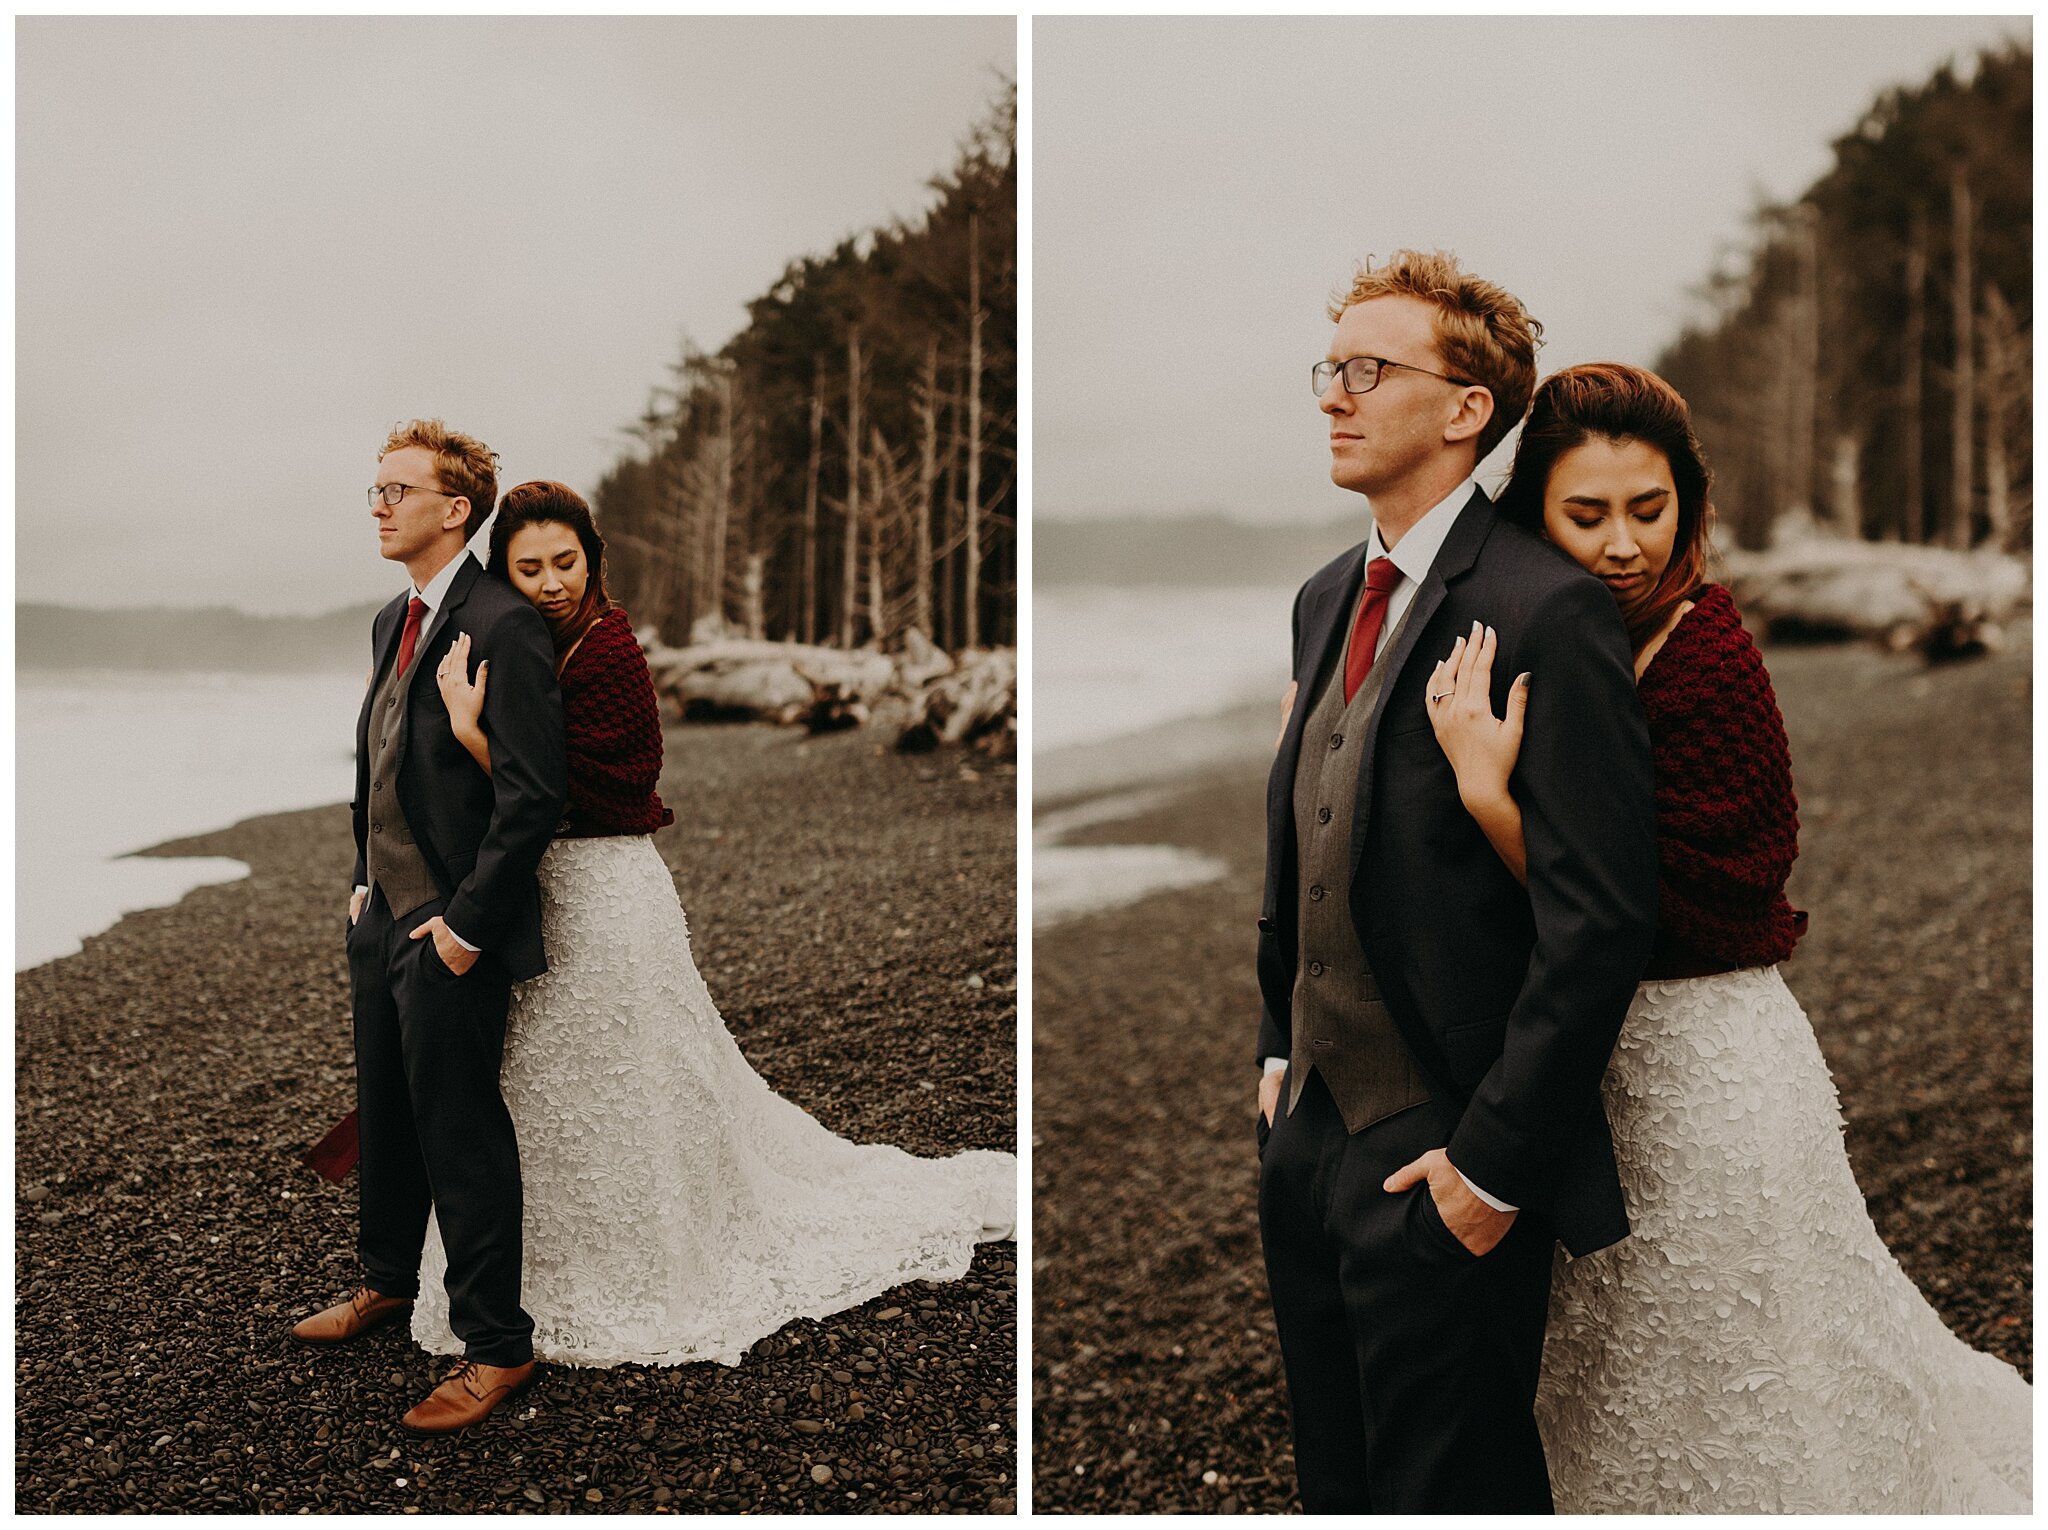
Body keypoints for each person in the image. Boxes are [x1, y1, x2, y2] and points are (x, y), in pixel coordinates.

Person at [1419, 362, 2032, 1512]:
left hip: (1706, 1069)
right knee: (1618, 1377)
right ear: (1531, 515)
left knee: (1764, 1366)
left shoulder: (1709, 659)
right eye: (1584, 514)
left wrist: (1487, 794)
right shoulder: (1549, 641)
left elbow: (1648, 911)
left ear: (1688, 505)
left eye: (1646, 512)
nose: (1621, 545)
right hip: (1585, 1074)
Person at [398, 480, 1015, 1368]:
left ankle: (660, 1260)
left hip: (609, 892)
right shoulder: (525, 644)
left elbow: (586, 789)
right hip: (541, 895)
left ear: (593, 560)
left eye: (565, 563)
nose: (549, 583)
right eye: (527, 567)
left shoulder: (610, 649)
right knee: (551, 1086)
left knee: (639, 1079)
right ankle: (548, 1268)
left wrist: (472, 732)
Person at [1253, 250, 1660, 1512]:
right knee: (1338, 1476)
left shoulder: (1549, 610)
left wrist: (1489, 1171)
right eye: (1330, 370)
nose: (1333, 395)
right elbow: (1300, 837)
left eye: (1368, 371)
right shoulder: (1326, 597)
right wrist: (1276, 1047)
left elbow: (1599, 920)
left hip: (1447, 1143)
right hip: (1306, 1131)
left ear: (1466, 407)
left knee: (1453, 1486)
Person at [291, 420, 568, 1436]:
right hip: (383, 916)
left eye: (396, 490)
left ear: (454, 510)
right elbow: (377, 758)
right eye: (374, 489)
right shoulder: (390, 620)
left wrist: (463, 927)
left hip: (454, 925)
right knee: (390, 1110)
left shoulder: (503, 626)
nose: (377, 504)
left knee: (461, 1127)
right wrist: (364, 877)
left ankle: (498, 1346)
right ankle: (388, 1283)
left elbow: (534, 798)